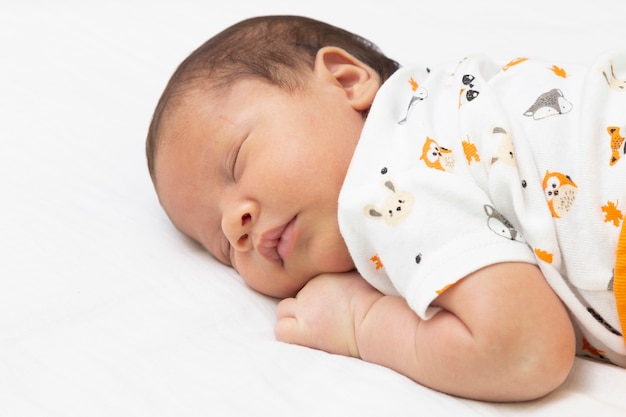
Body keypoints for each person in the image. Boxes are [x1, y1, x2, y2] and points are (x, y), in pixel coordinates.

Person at [146, 15, 626, 402]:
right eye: (223, 246)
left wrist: (363, 322)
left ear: (346, 80)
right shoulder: (453, 107)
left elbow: (524, 350)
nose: (236, 226)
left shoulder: (381, 179)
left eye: (236, 161)